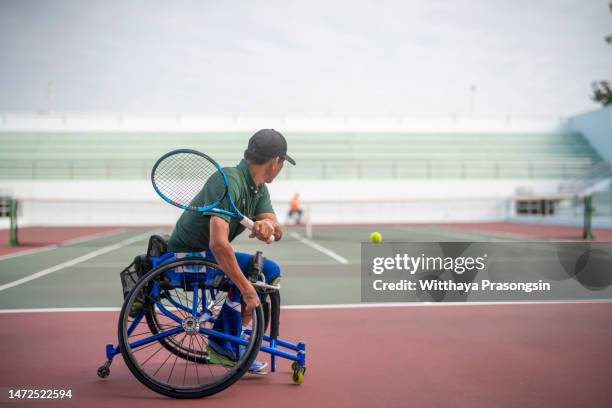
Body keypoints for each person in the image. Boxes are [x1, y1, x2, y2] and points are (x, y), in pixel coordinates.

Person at [167, 129, 295, 374]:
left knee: (270, 270)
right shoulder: (228, 181)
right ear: (275, 162)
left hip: (206, 256)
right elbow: (218, 245)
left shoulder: (257, 188)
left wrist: (268, 226)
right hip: (187, 258)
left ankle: (231, 336)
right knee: (251, 278)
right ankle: (224, 343)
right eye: (282, 163)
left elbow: (276, 230)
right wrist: (247, 290)